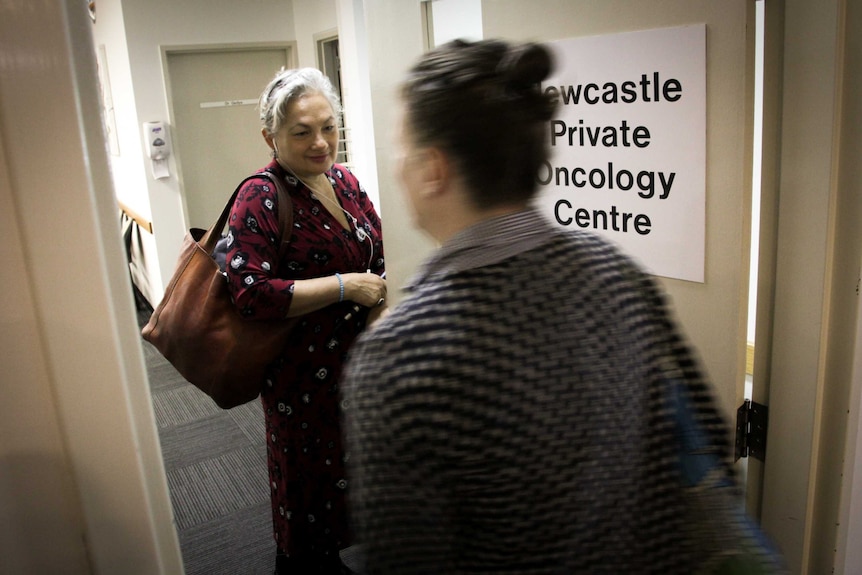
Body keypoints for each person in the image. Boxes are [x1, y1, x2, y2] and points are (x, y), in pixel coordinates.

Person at [340, 39, 786, 574]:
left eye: (400, 147)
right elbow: (706, 447)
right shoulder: (616, 271)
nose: (395, 166)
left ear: (433, 169)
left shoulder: (401, 358)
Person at [225, 67, 386, 574]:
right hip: (302, 377)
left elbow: (378, 255)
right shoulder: (262, 196)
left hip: (358, 365)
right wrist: (344, 285)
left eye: (329, 126)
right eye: (302, 131)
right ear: (270, 135)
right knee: (308, 492)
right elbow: (249, 293)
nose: (321, 142)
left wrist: (378, 314)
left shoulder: (344, 180)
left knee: (352, 479)